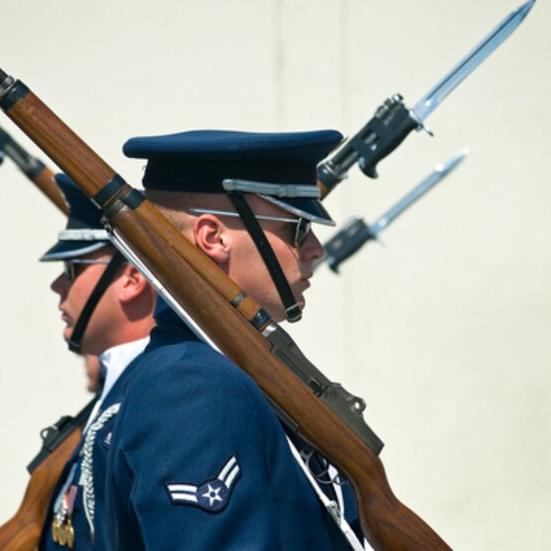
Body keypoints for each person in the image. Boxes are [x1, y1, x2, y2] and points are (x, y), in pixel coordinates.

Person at [105, 130, 367, 550]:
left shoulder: (219, 371)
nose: (316, 249)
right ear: (212, 238)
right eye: (298, 228)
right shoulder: (193, 387)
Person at [38, 174, 157, 550]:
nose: (57, 286)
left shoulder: (152, 397)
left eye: (72, 268)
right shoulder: (118, 392)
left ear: (132, 279)